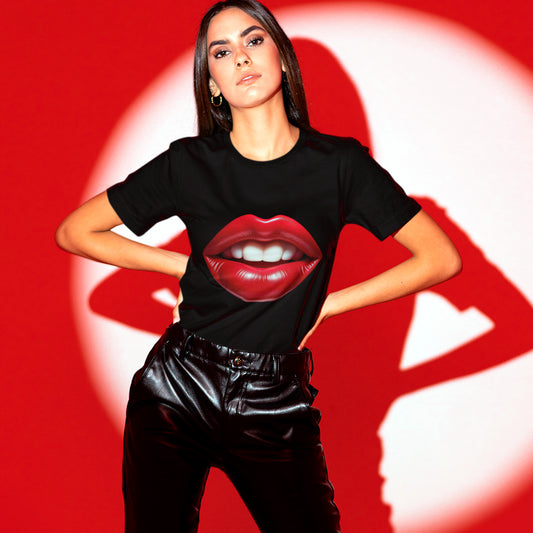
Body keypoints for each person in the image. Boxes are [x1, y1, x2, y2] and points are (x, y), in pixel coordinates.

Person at [55, 1, 462, 531]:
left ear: (282, 59)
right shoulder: (190, 164)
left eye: (253, 41)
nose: (241, 58)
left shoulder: (341, 166)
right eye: (221, 52)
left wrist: (330, 304)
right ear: (213, 83)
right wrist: (177, 266)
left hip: (276, 401)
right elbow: (75, 231)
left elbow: (440, 258)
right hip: (176, 389)